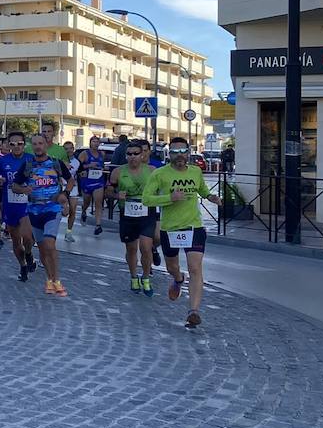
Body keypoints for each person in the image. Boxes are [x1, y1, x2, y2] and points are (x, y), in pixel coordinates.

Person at [142, 137, 217, 328]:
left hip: (194, 226)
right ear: (169, 155)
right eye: (174, 152)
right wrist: (169, 197)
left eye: (182, 151)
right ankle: (177, 279)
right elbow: (147, 199)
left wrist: (211, 196)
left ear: (188, 152)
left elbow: (202, 189)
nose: (179, 156)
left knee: (195, 268)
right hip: (171, 229)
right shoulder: (159, 174)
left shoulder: (195, 171)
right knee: (172, 267)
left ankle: (193, 311)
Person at [12, 133, 72, 296]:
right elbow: (15, 186)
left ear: (46, 145)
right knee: (43, 248)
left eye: (41, 143)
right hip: (34, 211)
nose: (38, 146)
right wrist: (24, 189)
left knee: (50, 244)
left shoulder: (55, 163)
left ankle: (57, 280)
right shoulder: (27, 165)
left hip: (52, 209)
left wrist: (65, 195)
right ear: (32, 146)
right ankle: (49, 280)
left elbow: (70, 180)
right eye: (35, 144)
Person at [107, 140, 157, 296]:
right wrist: (116, 195)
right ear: (125, 155)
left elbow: (161, 189)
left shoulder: (151, 170)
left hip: (147, 213)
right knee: (131, 248)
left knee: (146, 247)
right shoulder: (118, 172)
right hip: (127, 214)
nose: (133, 157)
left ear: (142, 154)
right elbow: (107, 192)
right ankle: (134, 276)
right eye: (129, 154)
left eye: (136, 153)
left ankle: (146, 277)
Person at [0, 132, 36, 283]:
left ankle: (30, 253)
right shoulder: (3, 160)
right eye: (12, 144)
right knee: (16, 241)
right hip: (10, 204)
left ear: (24, 144)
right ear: (8, 145)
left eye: (19, 143)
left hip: (26, 203)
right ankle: (23, 265)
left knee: (27, 236)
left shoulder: (30, 159)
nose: (16, 147)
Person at [74, 135, 108, 236]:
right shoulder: (84, 154)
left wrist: (103, 169)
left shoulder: (102, 154)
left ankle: (98, 225)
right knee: (87, 201)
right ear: (90, 143)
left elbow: (102, 165)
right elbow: (78, 167)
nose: (96, 143)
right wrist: (88, 166)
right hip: (87, 181)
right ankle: (84, 211)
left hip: (99, 181)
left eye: (97, 142)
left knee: (98, 203)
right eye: (94, 141)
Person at [61, 139, 79, 242]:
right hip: (62, 187)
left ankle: (68, 232)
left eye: (70, 148)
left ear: (73, 149)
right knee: (62, 211)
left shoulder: (76, 162)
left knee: (72, 211)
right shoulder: (60, 160)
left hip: (73, 188)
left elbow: (69, 172)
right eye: (66, 149)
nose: (69, 151)